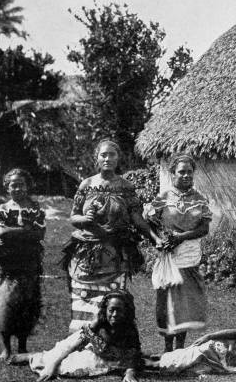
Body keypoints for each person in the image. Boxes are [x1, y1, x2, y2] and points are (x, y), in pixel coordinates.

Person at [62, 139, 162, 332]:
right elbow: (74, 217)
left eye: (112, 155)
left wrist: (155, 238)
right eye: (103, 155)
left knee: (114, 304)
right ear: (97, 158)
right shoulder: (87, 184)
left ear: (118, 158)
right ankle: (82, 347)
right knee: (83, 302)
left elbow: (137, 219)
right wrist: (85, 220)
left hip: (115, 256)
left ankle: (112, 348)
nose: (107, 158)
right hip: (85, 257)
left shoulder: (126, 187)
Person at [143, 153, 212, 352]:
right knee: (164, 302)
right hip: (168, 257)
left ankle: (180, 348)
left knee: (184, 303)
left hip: (189, 255)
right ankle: (167, 347)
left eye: (189, 172)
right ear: (172, 174)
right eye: (181, 172)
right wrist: (159, 240)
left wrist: (180, 238)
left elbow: (204, 229)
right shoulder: (163, 198)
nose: (185, 176)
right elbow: (149, 224)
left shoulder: (199, 199)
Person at [10, 290, 142, 382]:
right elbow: (75, 343)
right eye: (111, 310)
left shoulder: (129, 328)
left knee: (71, 368)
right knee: (54, 361)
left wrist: (129, 372)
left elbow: (134, 354)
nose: (115, 314)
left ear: (126, 311)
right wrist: (53, 364)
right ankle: (33, 356)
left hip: (103, 352)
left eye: (119, 310)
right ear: (105, 309)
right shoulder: (98, 322)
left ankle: (41, 357)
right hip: (84, 342)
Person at [0, 168, 46, 361]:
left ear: (28, 186)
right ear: (7, 187)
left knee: (26, 304)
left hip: (28, 263)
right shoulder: (2, 209)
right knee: (3, 304)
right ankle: (6, 347)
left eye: (21, 184)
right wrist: (24, 230)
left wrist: (13, 232)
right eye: (13, 185)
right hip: (6, 264)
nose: (17, 188)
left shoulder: (35, 208)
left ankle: (22, 346)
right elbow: (1, 233)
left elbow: (39, 234)